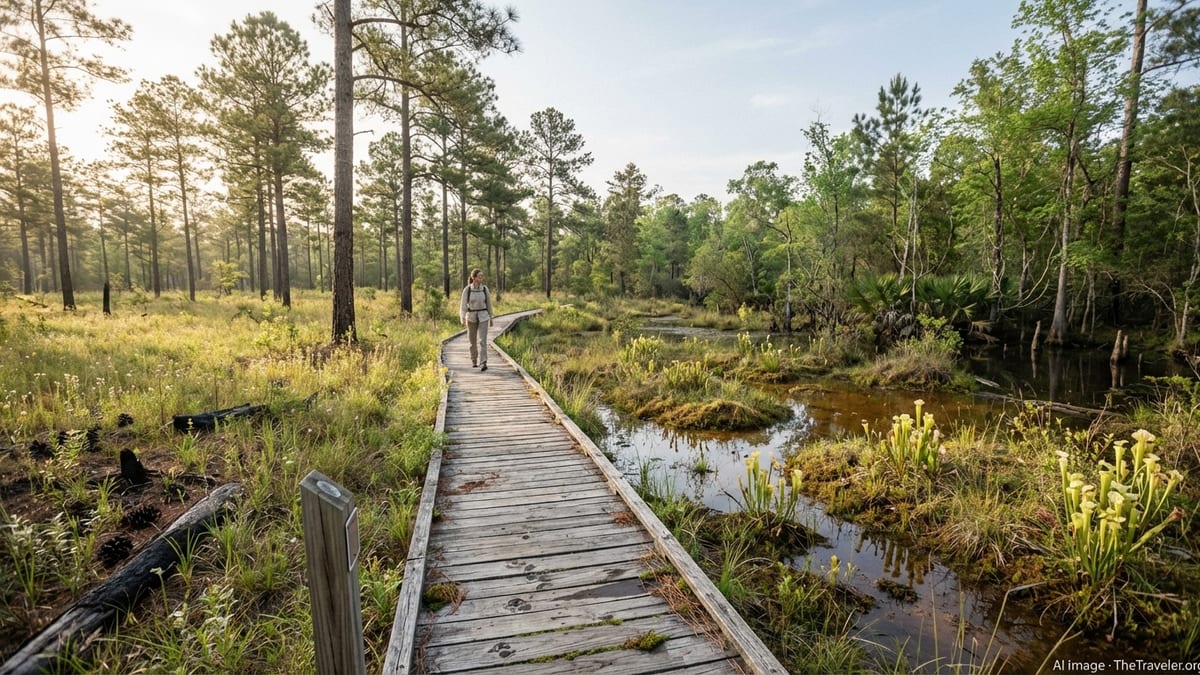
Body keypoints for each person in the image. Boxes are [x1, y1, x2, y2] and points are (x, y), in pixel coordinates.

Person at [459, 268, 494, 371]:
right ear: (474, 278)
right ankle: (474, 360)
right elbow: (463, 305)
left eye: (482, 276)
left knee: (483, 340)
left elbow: (489, 304)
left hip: (483, 316)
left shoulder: (485, 289)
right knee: (472, 341)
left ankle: (483, 362)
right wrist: (462, 318)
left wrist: (491, 317)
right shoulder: (467, 290)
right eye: (480, 276)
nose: (482, 278)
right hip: (471, 317)